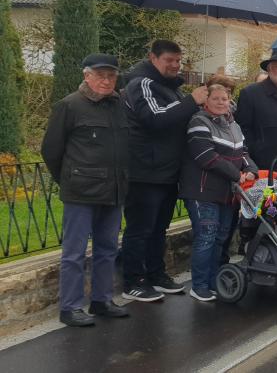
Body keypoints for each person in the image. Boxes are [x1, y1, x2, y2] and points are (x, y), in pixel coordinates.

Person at [43, 53, 131, 326]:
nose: (106, 81)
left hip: (114, 190)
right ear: (87, 75)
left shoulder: (118, 105)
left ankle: (101, 301)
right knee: (74, 253)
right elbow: (51, 151)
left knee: (107, 249)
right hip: (81, 193)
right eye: (100, 75)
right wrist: (70, 180)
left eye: (111, 75)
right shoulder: (69, 106)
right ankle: (70, 307)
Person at [120, 39, 206, 302]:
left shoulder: (171, 89)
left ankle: (156, 273)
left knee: (159, 228)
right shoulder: (141, 83)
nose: (175, 65)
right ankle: (133, 280)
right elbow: (155, 118)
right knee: (140, 229)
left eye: (178, 61)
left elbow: (178, 118)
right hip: (145, 171)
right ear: (153, 58)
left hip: (168, 172)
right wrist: (192, 100)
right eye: (169, 60)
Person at [179, 77, 257, 302]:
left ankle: (214, 280)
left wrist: (251, 169)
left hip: (227, 192)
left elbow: (243, 153)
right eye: (216, 98)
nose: (221, 102)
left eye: (225, 98)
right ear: (206, 101)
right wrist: (238, 175)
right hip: (202, 191)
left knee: (221, 237)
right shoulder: (199, 122)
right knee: (206, 236)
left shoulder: (233, 125)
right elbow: (206, 157)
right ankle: (200, 284)